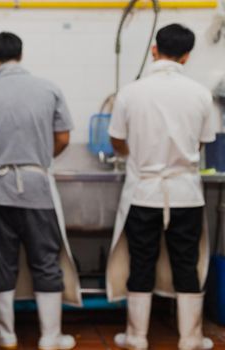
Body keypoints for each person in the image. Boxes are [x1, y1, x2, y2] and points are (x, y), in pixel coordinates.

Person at [107, 24, 217, 350]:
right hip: (185, 194)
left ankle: (137, 337)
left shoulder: (131, 92)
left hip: (143, 193)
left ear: (155, 49)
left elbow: (117, 139)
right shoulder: (200, 94)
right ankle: (191, 338)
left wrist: (136, 155)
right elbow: (201, 144)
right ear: (186, 55)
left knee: (141, 260)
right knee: (186, 262)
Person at [0, 32, 81, 350]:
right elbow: (64, 138)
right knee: (45, 261)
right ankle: (51, 337)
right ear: (20, 55)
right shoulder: (48, 88)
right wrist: (37, 160)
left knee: (0, 262)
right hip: (38, 189)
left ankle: (5, 334)